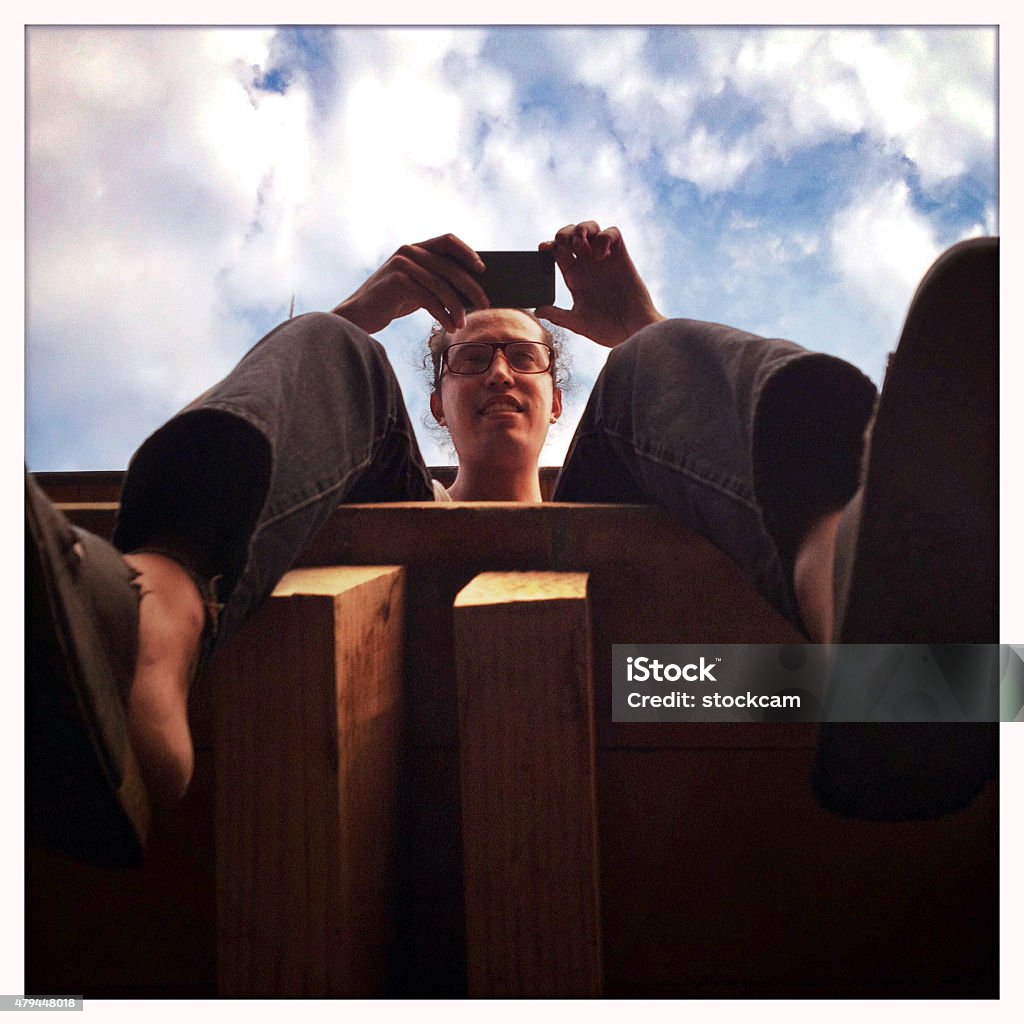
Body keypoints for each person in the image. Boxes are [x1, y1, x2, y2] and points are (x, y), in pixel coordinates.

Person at [26, 221, 998, 866]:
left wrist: (637, 329)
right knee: (327, 344)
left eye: (522, 355)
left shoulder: (620, 436)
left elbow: (677, 410)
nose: (497, 370)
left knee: (657, 355)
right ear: (437, 405)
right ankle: (141, 639)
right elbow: (337, 367)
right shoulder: (371, 437)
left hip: (689, 600)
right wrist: (360, 314)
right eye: (466, 358)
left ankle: (856, 607)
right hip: (338, 530)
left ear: (554, 394)